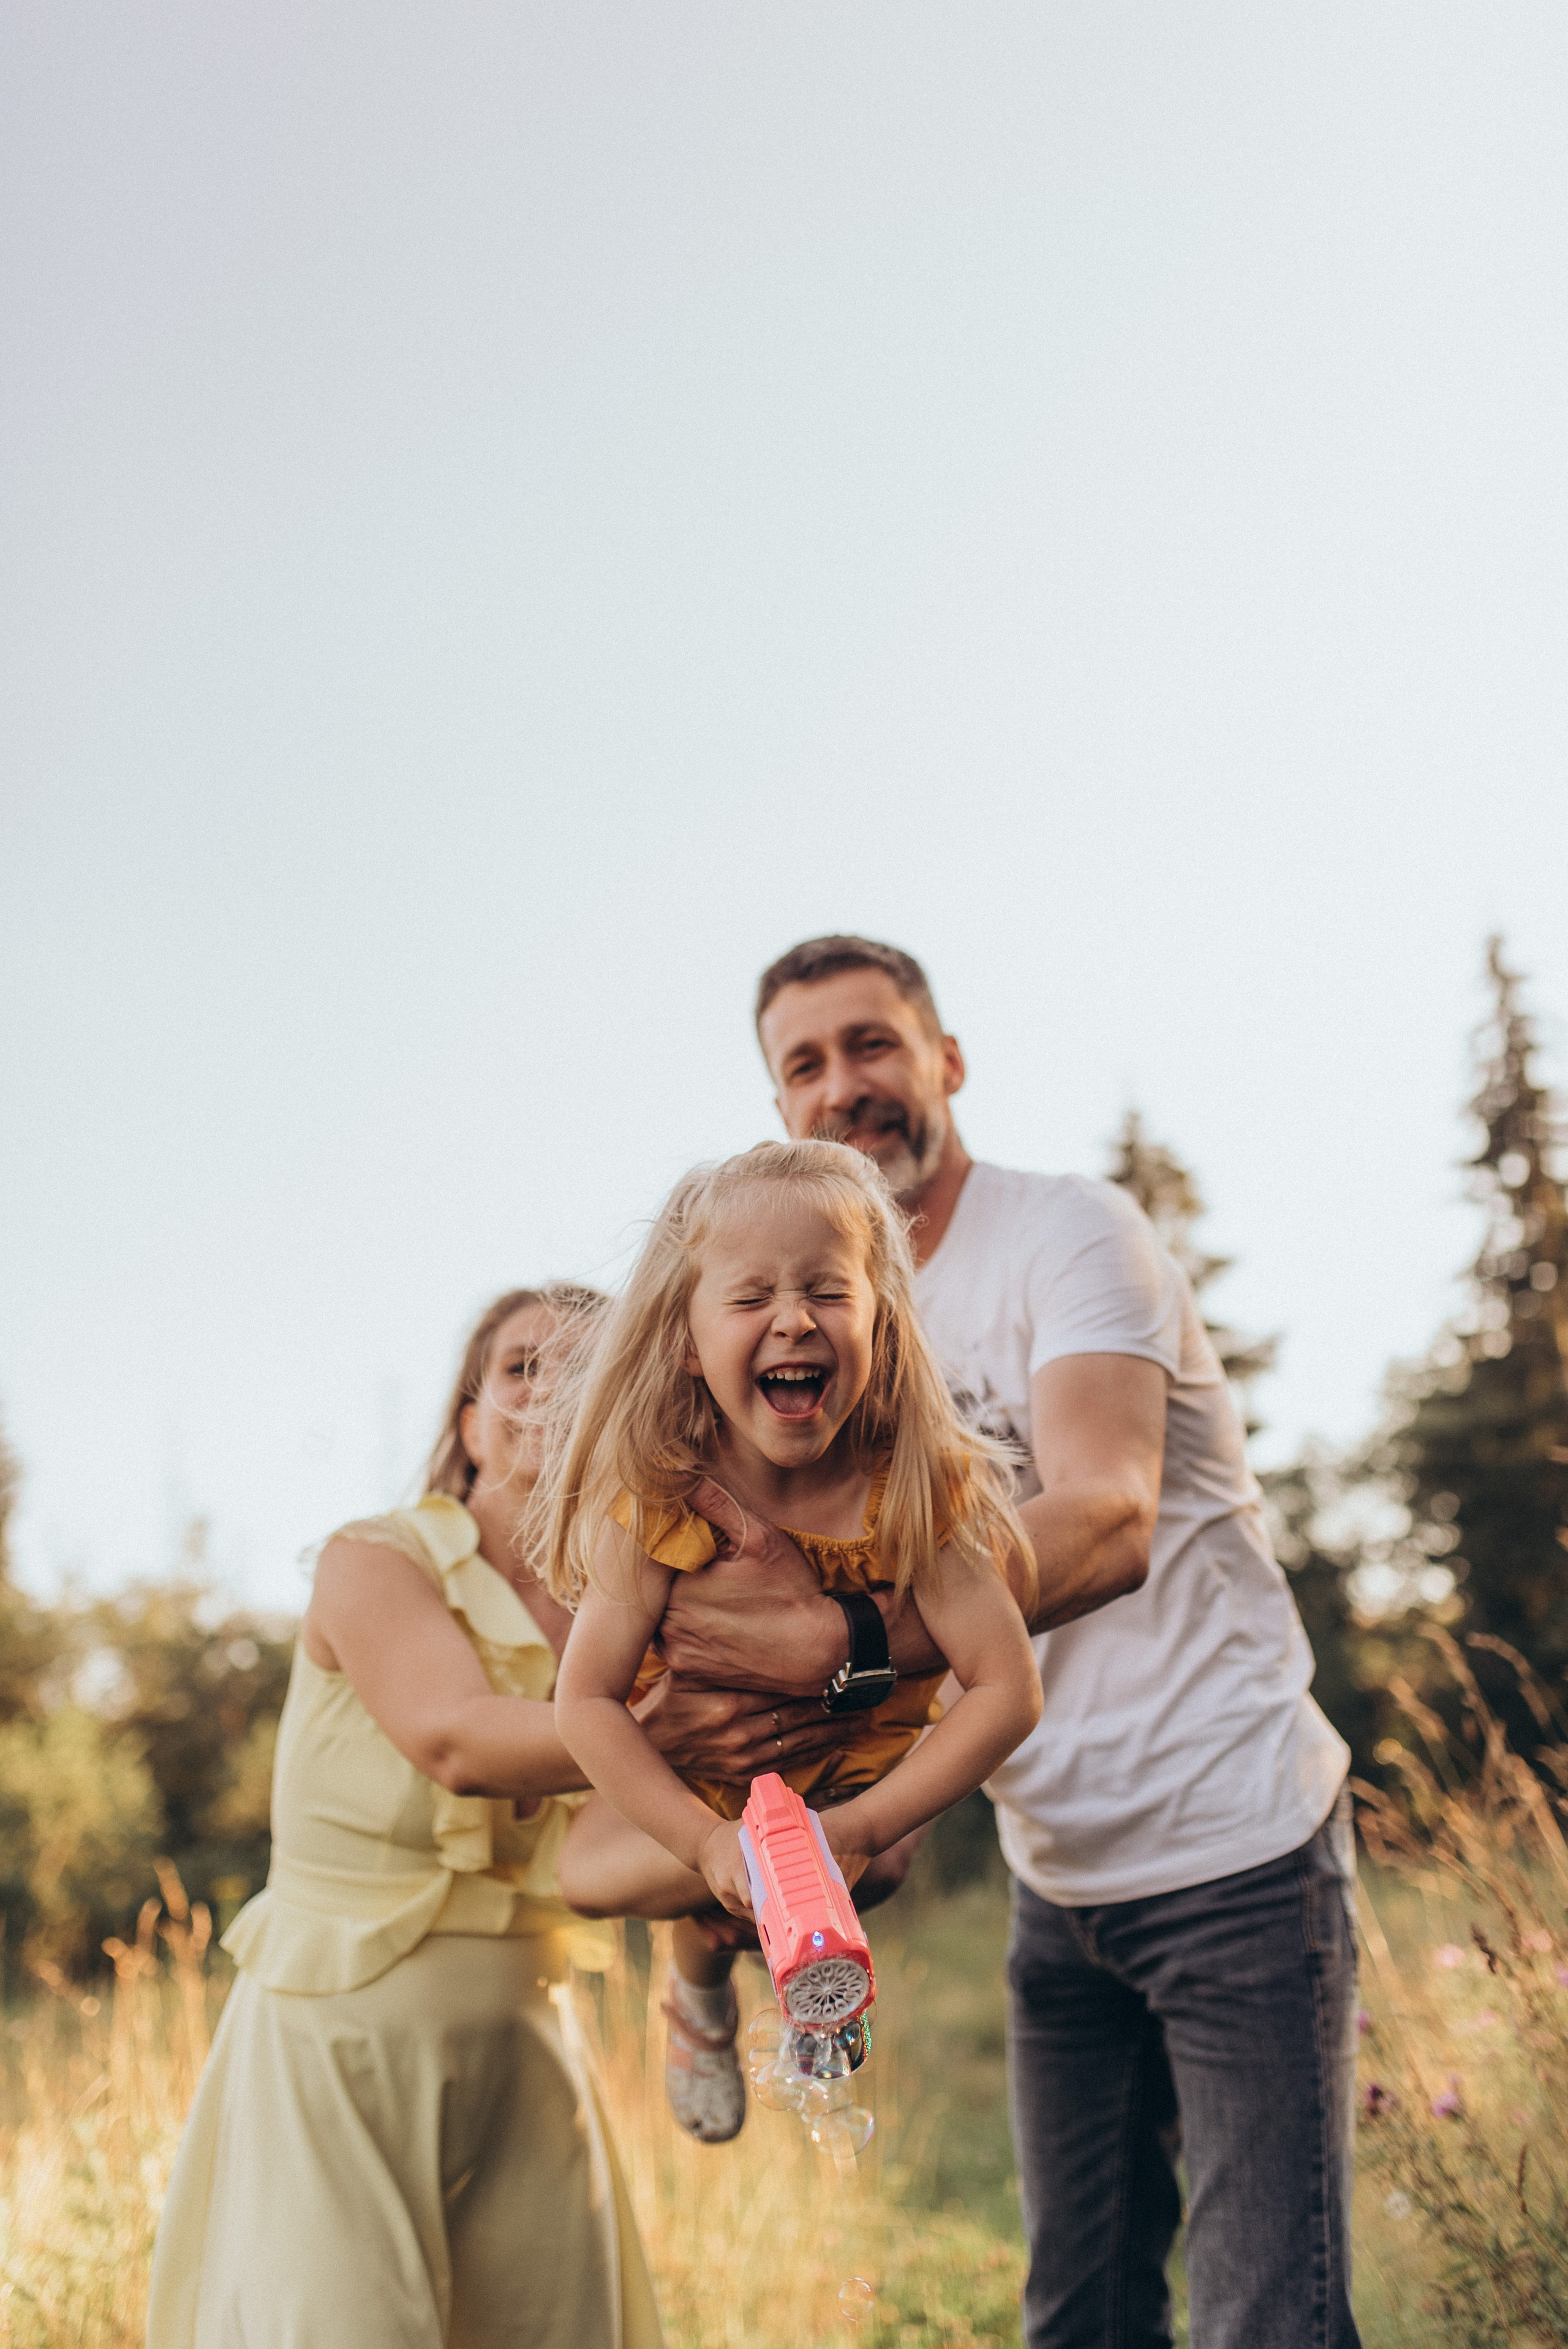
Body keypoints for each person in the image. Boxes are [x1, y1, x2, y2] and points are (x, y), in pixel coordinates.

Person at [652, 938, 1361, 2349]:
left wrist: (841, 1648)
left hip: (1234, 1848)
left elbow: (1105, 1514)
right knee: (1077, 2321)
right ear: (776, 1110)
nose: (843, 1087)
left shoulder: (1068, 1233)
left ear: (944, 1062)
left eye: (871, 1044)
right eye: (804, 1064)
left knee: (1262, 2323)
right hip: (1057, 1885)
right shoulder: (829, 1332)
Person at [146, 1282, 765, 2349]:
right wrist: (674, 1725)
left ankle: (707, 1983)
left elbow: (598, 1849)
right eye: (523, 1365)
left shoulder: (635, 1609)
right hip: (339, 2045)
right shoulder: (374, 1559)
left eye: (587, 1366)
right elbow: (458, 1743)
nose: (553, 1385)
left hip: (530, 2053)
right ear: (468, 1425)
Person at [539, 1138, 1043, 2145]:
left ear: (882, 1322)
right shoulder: (664, 1499)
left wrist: (865, 1828)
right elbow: (584, 1701)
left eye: (828, 1290)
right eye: (750, 1296)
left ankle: (807, 1990)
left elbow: (1007, 1688)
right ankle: (697, 1982)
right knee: (622, 1885)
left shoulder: (913, 1487)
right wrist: (702, 1842)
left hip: (853, 1790)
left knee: (863, 1880)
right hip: (719, 1789)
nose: (793, 1318)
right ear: (686, 1339)